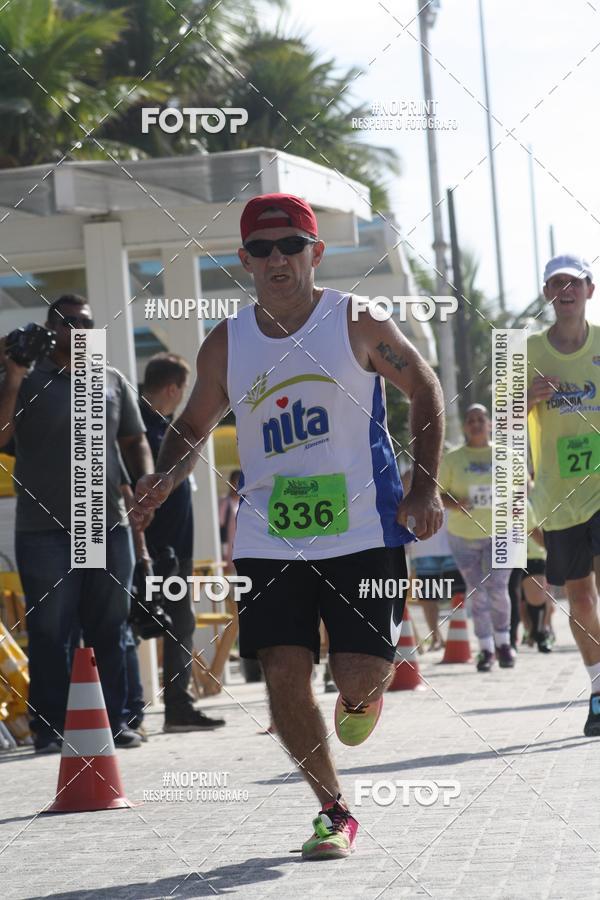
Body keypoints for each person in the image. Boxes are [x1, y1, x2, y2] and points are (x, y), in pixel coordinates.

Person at [133, 192, 445, 859]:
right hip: (269, 535)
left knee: (359, 674)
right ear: (245, 259)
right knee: (281, 667)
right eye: (263, 249)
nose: (278, 260)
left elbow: (425, 387)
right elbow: (191, 426)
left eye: (291, 246)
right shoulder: (228, 341)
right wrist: (163, 479)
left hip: (364, 528)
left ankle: (362, 695)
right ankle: (333, 811)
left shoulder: (357, 321)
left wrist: (423, 485)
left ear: (316, 253)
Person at [0, 294, 153, 751]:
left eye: (85, 322)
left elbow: (134, 439)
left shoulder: (111, 378)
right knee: (50, 632)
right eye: (66, 322)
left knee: (110, 627)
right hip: (43, 528)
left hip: (106, 522)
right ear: (49, 329)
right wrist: (12, 374)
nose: (77, 329)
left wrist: (145, 478)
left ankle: (117, 722)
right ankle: (49, 729)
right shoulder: (26, 378)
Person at [527, 253, 600, 736]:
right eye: (556, 283)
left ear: (590, 291)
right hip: (557, 495)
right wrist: (522, 398)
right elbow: (502, 429)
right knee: (578, 594)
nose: (565, 291)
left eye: (574, 282)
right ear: (548, 294)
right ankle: (598, 690)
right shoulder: (526, 350)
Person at [139, 352, 224, 732]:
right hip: (149, 550)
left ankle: (178, 707)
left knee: (180, 624)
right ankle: (136, 710)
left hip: (173, 553)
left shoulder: (167, 428)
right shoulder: (139, 429)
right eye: (184, 390)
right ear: (172, 388)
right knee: (138, 625)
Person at [438, 403, 515, 672]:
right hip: (464, 536)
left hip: (501, 533)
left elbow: (524, 486)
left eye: (481, 419)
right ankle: (485, 649)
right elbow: (438, 494)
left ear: (490, 424)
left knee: (497, 588)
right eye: (470, 420)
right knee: (477, 592)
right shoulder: (453, 458)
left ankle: (504, 643)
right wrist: (455, 503)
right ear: (464, 427)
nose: (476, 424)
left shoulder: (505, 455)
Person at [406, 508, 465, 650]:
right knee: (427, 598)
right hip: (422, 550)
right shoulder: (407, 486)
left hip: (451, 547)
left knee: (459, 594)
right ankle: (436, 637)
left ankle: (460, 636)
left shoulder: (448, 486)